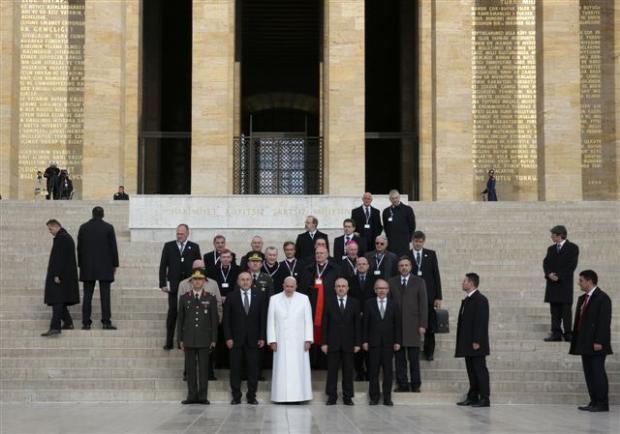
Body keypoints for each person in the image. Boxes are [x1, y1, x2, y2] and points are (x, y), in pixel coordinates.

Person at [570, 270, 612, 412]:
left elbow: (604, 322)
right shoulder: (583, 298)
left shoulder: (602, 298)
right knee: (589, 373)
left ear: (589, 281)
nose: (579, 283)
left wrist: (599, 341)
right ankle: (594, 401)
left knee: (597, 373)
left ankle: (602, 403)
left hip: (597, 344)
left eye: (581, 280)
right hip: (584, 343)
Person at [223, 272, 267, 405]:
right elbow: (226, 320)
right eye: (242, 279)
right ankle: (236, 396)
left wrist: (262, 337)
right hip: (235, 340)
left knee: (253, 369)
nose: (245, 282)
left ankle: (251, 396)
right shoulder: (231, 296)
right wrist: (228, 337)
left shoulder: (259, 296)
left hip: (253, 340)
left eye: (248, 279)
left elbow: (262, 318)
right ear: (238, 281)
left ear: (251, 281)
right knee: (235, 369)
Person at [267, 276, 314, 403]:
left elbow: (308, 321)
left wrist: (308, 339)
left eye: (291, 286)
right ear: (283, 285)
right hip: (280, 341)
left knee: (299, 370)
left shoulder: (304, 299)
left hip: (299, 342)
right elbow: (271, 321)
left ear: (296, 286)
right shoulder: (274, 299)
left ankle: (300, 397)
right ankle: (280, 397)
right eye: (287, 286)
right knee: (281, 370)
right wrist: (272, 340)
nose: (289, 289)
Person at [177, 269, 218, 405]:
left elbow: (214, 320)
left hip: (204, 339)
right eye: (195, 279)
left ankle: (202, 396)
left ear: (204, 282)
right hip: (188, 338)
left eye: (200, 279)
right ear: (191, 282)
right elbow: (180, 320)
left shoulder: (210, 298)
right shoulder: (184, 297)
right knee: (190, 369)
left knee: (203, 369)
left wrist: (213, 339)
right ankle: (191, 396)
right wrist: (180, 339)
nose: (197, 282)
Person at [158, 224, 202, 350]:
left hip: (189, 286)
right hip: (173, 286)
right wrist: (162, 283)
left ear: (188, 233)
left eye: (182, 233)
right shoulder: (169, 246)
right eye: (178, 233)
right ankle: (169, 341)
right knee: (173, 311)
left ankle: (183, 341)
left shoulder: (194, 247)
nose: (179, 235)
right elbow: (163, 265)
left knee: (188, 314)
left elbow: (198, 266)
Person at [178, 259, 222, 380]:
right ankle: (188, 373)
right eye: (196, 268)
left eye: (202, 268)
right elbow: (180, 307)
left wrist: (217, 321)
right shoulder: (183, 284)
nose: (199, 270)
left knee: (208, 354)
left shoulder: (213, 284)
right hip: (190, 327)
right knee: (189, 356)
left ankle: (209, 373)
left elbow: (218, 304)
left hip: (206, 326)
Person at [389, 257, 427, 392]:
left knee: (414, 359)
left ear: (411, 267)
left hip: (413, 326)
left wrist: (423, 324)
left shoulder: (419, 281)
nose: (404, 268)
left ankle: (416, 385)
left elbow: (423, 305)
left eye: (406, 265)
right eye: (401, 266)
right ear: (398, 268)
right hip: (397, 326)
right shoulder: (392, 282)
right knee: (399, 359)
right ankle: (402, 384)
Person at [299, 245, 341, 368]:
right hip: (311, 307)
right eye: (317, 253)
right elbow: (302, 289)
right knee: (311, 333)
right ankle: (312, 363)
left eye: (322, 253)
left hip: (329, 307)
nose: (319, 255)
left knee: (327, 333)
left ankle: (326, 363)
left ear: (327, 254)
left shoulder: (336, 269)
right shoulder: (308, 269)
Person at [77, 206, 119, 330]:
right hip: (105, 266)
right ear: (103, 215)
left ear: (92, 214)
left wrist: (81, 264)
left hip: (88, 267)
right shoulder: (108, 228)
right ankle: (106, 322)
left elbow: (79, 248)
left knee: (87, 295)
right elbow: (113, 248)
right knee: (105, 296)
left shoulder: (83, 227)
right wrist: (115, 264)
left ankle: (86, 323)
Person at [321, 278, 361, 405]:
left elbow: (357, 325)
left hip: (349, 343)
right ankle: (332, 396)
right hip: (332, 343)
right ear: (334, 288)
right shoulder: (329, 302)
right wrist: (324, 343)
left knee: (348, 371)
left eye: (343, 286)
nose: (341, 288)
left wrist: (357, 343)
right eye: (338, 286)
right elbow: (325, 324)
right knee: (332, 371)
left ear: (348, 288)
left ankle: (348, 396)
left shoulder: (354, 303)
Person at [363, 279, 402, 406]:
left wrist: (397, 341)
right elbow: (365, 324)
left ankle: (387, 398)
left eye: (384, 288)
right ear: (375, 290)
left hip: (388, 344)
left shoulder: (394, 304)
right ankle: (374, 397)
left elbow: (397, 325)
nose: (381, 290)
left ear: (388, 290)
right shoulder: (369, 303)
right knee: (373, 371)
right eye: (379, 288)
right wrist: (364, 341)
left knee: (388, 372)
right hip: (373, 343)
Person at [455, 273, 490, 407]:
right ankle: (473, 396)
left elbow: (481, 322)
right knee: (471, 370)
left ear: (471, 283)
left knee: (480, 370)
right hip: (467, 343)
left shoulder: (480, 299)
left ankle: (485, 398)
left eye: (464, 281)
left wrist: (477, 341)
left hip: (476, 344)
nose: (462, 283)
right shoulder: (469, 299)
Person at [408, 231, 442, 361]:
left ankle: (429, 351)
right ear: (412, 241)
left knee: (429, 325)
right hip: (412, 296)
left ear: (424, 241)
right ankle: (413, 350)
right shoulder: (407, 255)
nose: (418, 243)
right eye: (416, 241)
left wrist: (438, 296)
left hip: (428, 295)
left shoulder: (431, 254)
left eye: (420, 241)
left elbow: (436, 275)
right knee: (412, 324)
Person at [41, 219, 80, 337]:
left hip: (60, 277)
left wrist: (58, 274)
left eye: (50, 229)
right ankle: (68, 323)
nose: (50, 231)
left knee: (57, 301)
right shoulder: (64, 237)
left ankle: (55, 327)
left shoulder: (62, 238)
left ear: (56, 226)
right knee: (59, 301)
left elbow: (61, 258)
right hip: (63, 276)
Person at [543, 225, 579, 342]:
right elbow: (546, 263)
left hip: (564, 284)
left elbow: (571, 266)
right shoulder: (551, 249)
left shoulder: (572, 248)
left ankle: (568, 333)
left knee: (566, 310)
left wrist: (558, 276)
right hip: (552, 284)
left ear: (560, 235)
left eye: (553, 234)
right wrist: (549, 274)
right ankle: (556, 333)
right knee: (554, 310)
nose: (551, 237)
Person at [347, 256, 377, 380]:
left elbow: (377, 298)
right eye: (359, 264)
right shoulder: (351, 280)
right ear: (356, 266)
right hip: (356, 318)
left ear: (368, 266)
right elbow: (350, 299)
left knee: (369, 346)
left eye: (364, 264)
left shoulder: (375, 280)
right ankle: (359, 372)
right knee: (357, 345)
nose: (361, 266)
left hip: (371, 318)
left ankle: (370, 372)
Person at [382, 189, 416, 257]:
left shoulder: (408, 209)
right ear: (390, 199)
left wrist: (408, 239)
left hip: (404, 242)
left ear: (399, 197)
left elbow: (412, 225)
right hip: (391, 243)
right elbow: (385, 226)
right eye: (393, 198)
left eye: (396, 198)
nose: (395, 200)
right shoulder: (386, 211)